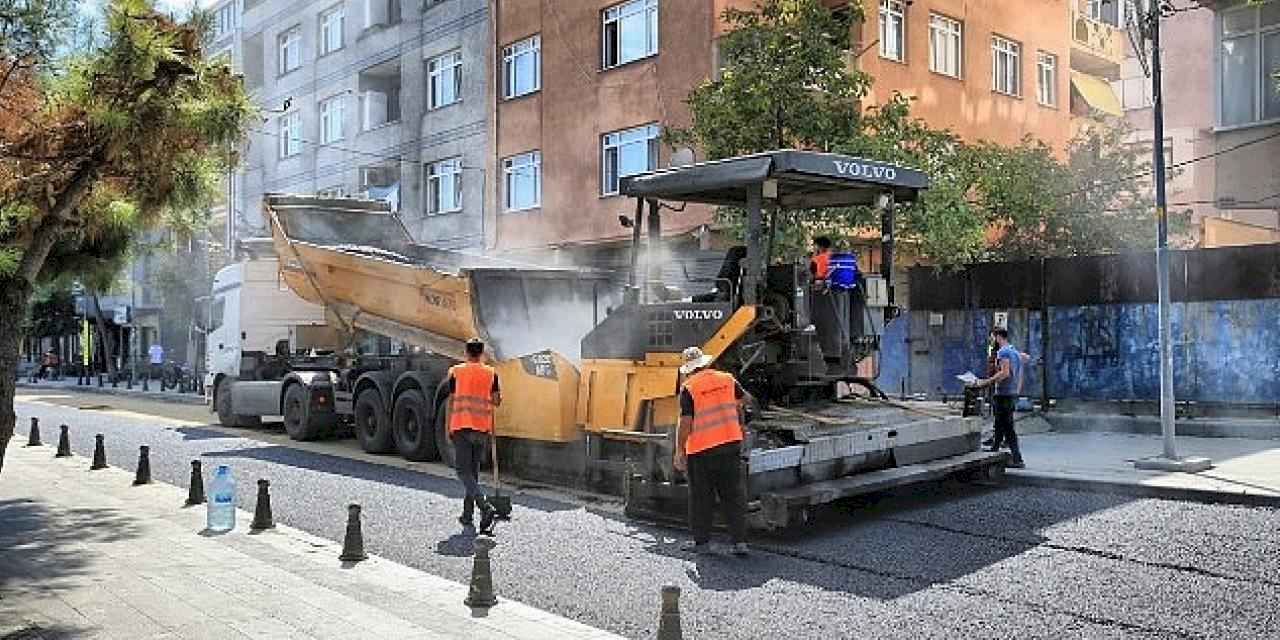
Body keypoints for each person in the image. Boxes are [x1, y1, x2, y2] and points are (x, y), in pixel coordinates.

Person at [673, 346, 751, 556]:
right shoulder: (727, 379)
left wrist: (679, 450)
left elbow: (685, 422)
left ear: (689, 369)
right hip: (730, 444)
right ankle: (740, 543)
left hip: (702, 450)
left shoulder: (689, 388)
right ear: (705, 363)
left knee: (701, 498)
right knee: (733, 495)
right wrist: (739, 421)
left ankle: (702, 543)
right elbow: (745, 400)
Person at [435, 338, 501, 536]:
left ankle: (485, 506)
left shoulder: (456, 372)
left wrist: (447, 427)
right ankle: (467, 514)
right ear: (482, 353)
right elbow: (496, 401)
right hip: (481, 428)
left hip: (462, 426)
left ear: (466, 352)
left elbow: (451, 400)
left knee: (463, 471)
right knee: (472, 472)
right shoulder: (491, 373)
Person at [969, 328, 1026, 468]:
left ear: (998, 337)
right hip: (1010, 393)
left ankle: (1017, 459)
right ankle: (994, 450)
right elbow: (1019, 373)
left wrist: (986, 382)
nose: (991, 341)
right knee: (1000, 425)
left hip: (1003, 394)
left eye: (992, 338)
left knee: (1008, 428)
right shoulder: (1015, 352)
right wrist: (1017, 390)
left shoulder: (1003, 352)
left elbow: (1005, 373)